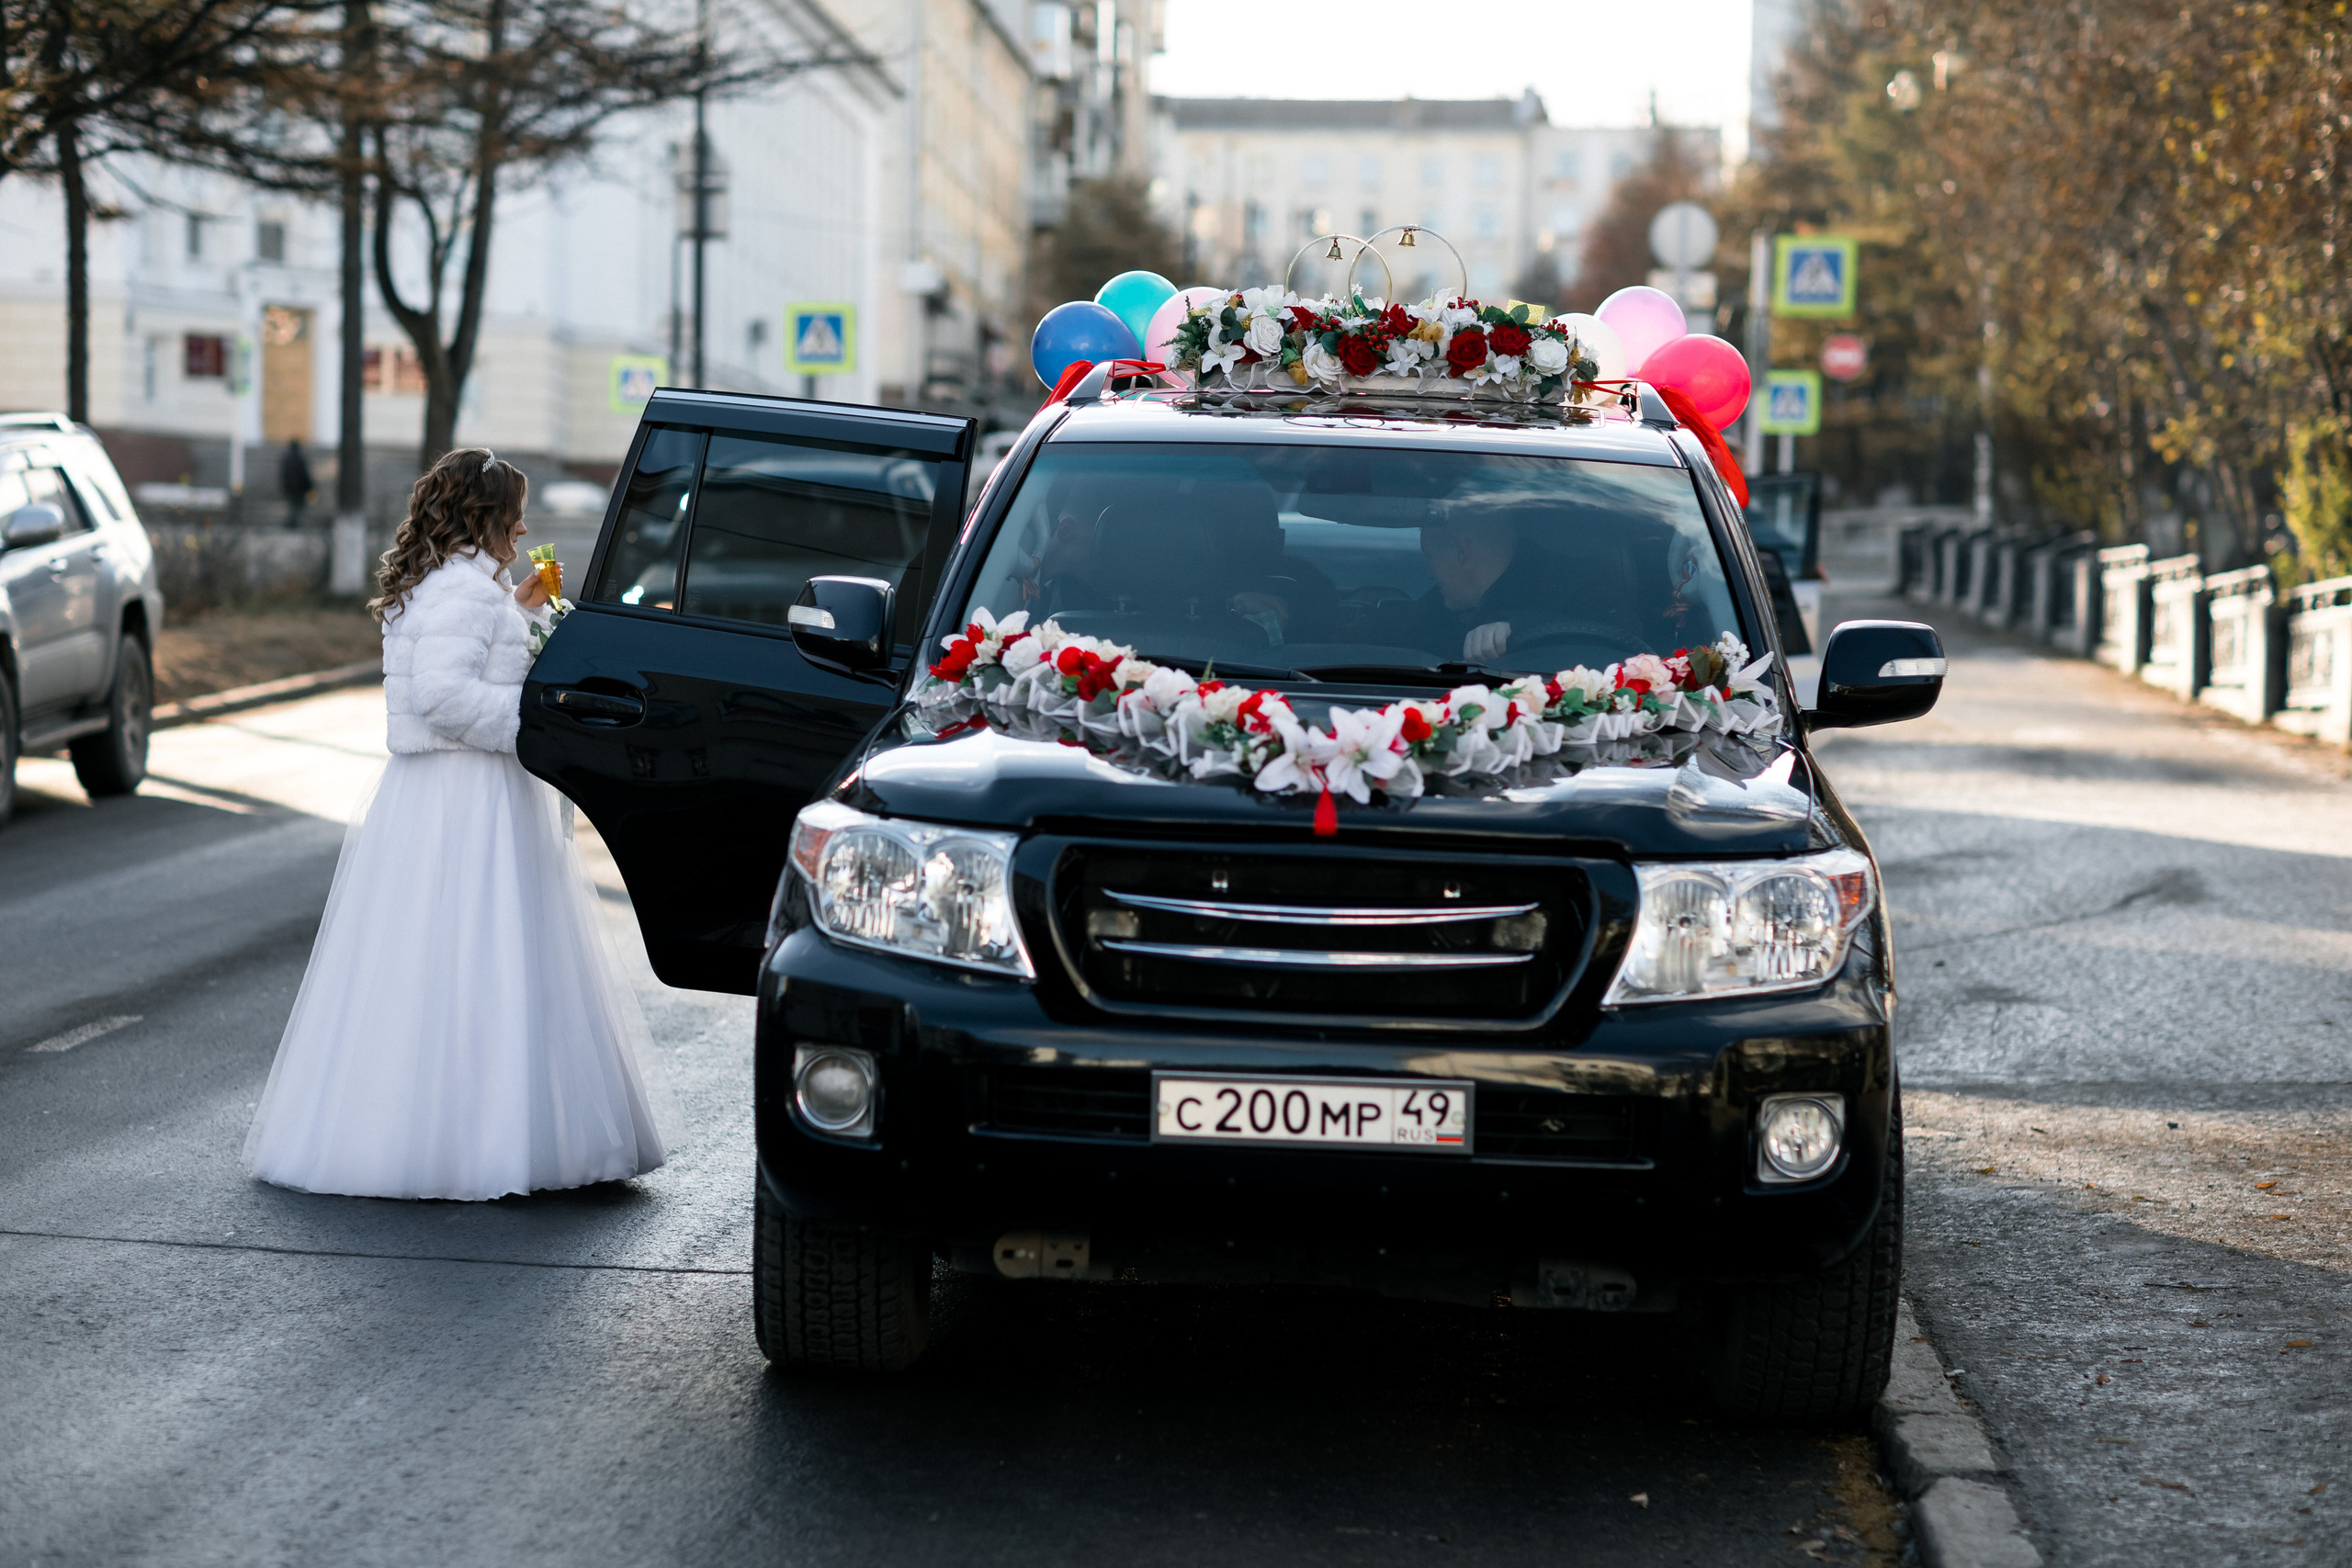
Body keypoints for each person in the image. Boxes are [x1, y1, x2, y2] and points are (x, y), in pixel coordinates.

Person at [243, 447, 669, 1201]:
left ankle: (417, 1126)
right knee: (481, 954)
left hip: (437, 792)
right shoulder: (463, 595)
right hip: (467, 794)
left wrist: (523, 614)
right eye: (516, 515)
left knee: (429, 963)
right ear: (488, 519)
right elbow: (444, 695)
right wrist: (537, 721)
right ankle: (486, 1134)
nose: (525, 526)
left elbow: (460, 658)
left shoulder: (448, 586)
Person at [279, 438, 314, 529]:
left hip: (289, 487)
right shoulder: (300, 458)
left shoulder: (286, 458)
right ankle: (293, 523)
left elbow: (283, 474)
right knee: (299, 506)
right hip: (299, 488)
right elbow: (304, 474)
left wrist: (285, 486)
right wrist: (309, 486)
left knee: (292, 505)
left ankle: (291, 522)